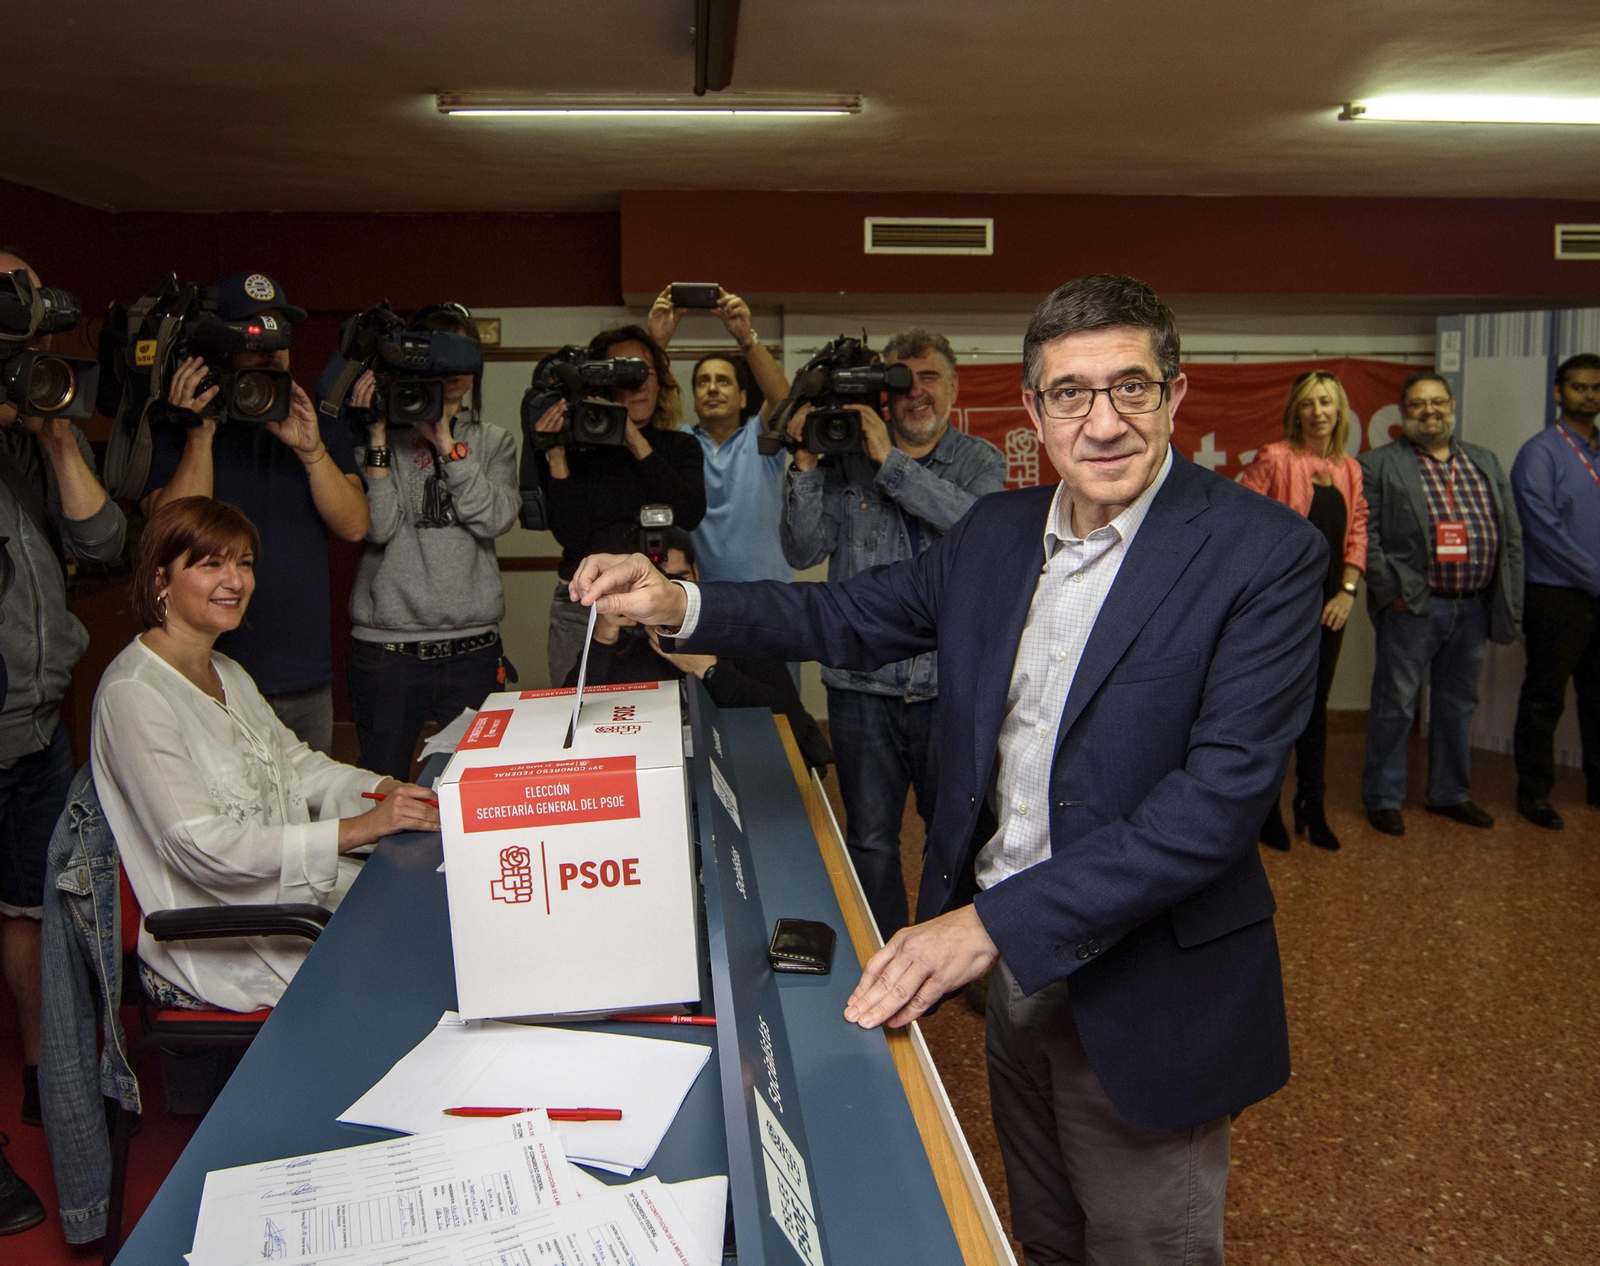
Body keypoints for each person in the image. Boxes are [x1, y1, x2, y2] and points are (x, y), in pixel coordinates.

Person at [575, 274, 1327, 1264]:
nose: (1102, 423)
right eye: (1071, 394)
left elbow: (1213, 809)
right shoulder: (996, 535)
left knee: (1145, 1244)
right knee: (1045, 1230)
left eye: (1131, 388)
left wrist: (984, 925)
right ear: (1032, 409)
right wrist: (681, 604)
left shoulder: (1261, 553)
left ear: (1175, 395)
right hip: (1016, 978)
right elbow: (842, 614)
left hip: (1146, 988)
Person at [91, 497, 438, 1014]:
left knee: (431, 906)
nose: (235, 581)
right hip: (220, 931)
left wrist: (381, 789)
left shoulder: (227, 671)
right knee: (416, 963)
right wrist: (359, 828)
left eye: (244, 563)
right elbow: (200, 847)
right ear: (161, 579)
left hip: (279, 902)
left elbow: (296, 765)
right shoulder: (134, 693)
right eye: (211, 564)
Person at [782, 328, 1005, 938]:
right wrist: (804, 462)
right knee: (872, 840)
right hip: (860, 685)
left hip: (947, 684)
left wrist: (891, 462)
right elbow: (802, 552)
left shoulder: (981, 461)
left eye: (929, 377)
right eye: (902, 380)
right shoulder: (841, 458)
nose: (916, 393)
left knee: (955, 833)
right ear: (884, 393)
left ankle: (951, 957)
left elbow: (977, 534)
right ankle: (882, 956)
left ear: (954, 388)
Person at [0, 249, 125, 1232]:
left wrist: (53, 436)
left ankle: (47, 1078)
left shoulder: (25, 438)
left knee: (32, 915)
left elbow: (101, 545)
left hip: (33, 730)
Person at [142, 271, 369, 754]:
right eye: (251, 333)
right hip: (207, 673)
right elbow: (172, 529)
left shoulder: (314, 418)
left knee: (308, 810)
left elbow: (353, 525)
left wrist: (311, 452)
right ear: (220, 344)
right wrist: (199, 432)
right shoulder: (173, 424)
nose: (269, 347)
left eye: (278, 334)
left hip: (303, 674)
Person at [344, 305, 519, 781]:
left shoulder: (494, 441)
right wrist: (378, 432)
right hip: (389, 653)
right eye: (437, 358)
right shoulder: (376, 440)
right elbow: (377, 528)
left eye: (462, 358)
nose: (452, 372)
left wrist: (445, 443)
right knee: (382, 781)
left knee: (484, 784)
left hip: (475, 651)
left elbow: (495, 518)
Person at [1360, 372, 1522, 835]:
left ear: (1451, 405)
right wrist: (1393, 592)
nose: (1428, 412)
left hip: (1471, 607)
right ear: (1403, 410)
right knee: (1396, 706)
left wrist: (1506, 598)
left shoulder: (1484, 461)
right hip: (1414, 607)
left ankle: (1449, 794)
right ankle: (1383, 797)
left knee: (1457, 706)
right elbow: (1366, 537)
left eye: (1437, 403)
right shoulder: (1379, 464)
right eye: (1417, 405)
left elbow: (1510, 534)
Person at [563, 525, 831, 773]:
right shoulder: (620, 640)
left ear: (697, 573)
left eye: (678, 580)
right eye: (655, 583)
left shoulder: (731, 625)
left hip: (740, 768)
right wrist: (600, 641)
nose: (664, 594)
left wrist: (708, 668)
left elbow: (791, 722)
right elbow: (566, 723)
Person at [529, 324, 705, 685]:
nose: (637, 385)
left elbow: (688, 513)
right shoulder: (579, 451)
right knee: (576, 713)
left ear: (661, 381)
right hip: (588, 603)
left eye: (645, 372)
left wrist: (632, 437)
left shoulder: (680, 447)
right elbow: (572, 538)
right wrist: (556, 454)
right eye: (623, 374)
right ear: (601, 383)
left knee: (670, 713)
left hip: (663, 601)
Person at [1240, 370, 1368, 850]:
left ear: (1340, 412)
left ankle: (1311, 805)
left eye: (1327, 403)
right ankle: (1266, 809)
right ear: (1296, 410)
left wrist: (1348, 591)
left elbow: (1357, 532)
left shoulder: (1350, 469)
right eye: (1309, 402)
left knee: (1316, 709)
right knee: (1276, 710)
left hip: (1332, 603)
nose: (1318, 411)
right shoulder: (1275, 458)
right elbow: (1244, 524)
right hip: (1283, 606)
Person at [646, 286, 793, 583]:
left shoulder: (760, 438)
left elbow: (783, 400)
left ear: (742, 398)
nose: (712, 388)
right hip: (699, 598)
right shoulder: (680, 443)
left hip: (768, 596)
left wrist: (745, 337)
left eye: (722, 381)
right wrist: (657, 342)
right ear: (694, 397)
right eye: (703, 382)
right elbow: (640, 396)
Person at [1510, 352, 1600, 829]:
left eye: (1596, 387)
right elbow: (1542, 529)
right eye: (1580, 387)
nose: (1589, 395)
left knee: (1599, 696)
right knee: (1545, 696)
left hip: (1596, 594)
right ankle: (1534, 793)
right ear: (1559, 393)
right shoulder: (1540, 452)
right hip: (1557, 594)